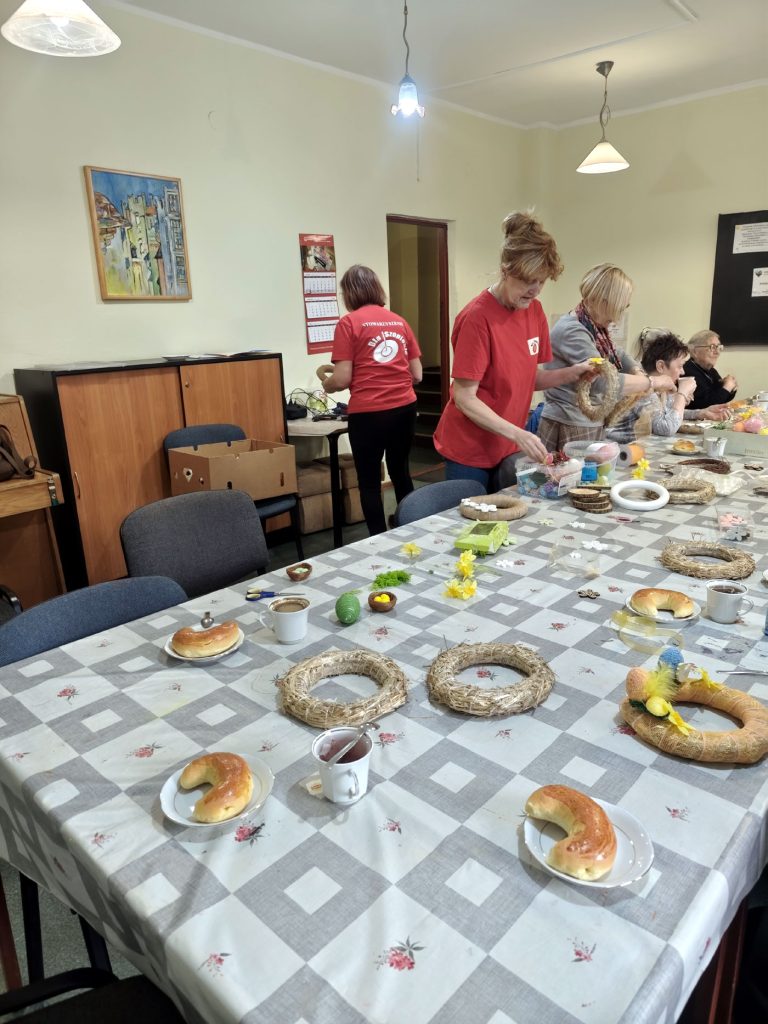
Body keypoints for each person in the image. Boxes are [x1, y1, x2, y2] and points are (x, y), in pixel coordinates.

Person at [432, 211, 593, 487]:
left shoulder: (534, 311)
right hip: (470, 449)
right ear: (506, 271)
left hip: (506, 445)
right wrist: (517, 433)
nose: (535, 290)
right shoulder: (477, 318)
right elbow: (464, 397)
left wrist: (573, 373)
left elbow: (530, 378)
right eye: (528, 281)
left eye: (542, 281)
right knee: (475, 513)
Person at [321, 265, 422, 535]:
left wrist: (327, 385)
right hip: (404, 409)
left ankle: (378, 539)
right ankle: (411, 531)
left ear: (349, 293)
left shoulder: (349, 323)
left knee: (368, 482)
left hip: (368, 413)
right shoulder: (399, 321)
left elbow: (341, 378)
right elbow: (417, 374)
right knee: (400, 472)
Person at [538, 264, 675, 451]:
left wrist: (636, 370)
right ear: (601, 301)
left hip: (587, 422)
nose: (617, 318)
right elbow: (603, 381)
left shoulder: (593, 328)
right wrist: (654, 382)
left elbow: (617, 353)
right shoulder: (572, 330)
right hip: (570, 423)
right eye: (617, 309)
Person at [640, 331, 730, 434]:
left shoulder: (661, 389)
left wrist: (701, 413)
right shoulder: (644, 391)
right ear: (661, 366)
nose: (683, 372)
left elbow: (669, 413)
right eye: (680, 366)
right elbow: (666, 428)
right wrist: (682, 395)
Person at [682, 330, 738, 408]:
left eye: (718, 347)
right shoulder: (687, 371)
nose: (717, 352)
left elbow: (722, 398)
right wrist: (727, 387)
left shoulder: (711, 370)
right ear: (695, 351)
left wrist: (731, 387)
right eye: (712, 347)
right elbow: (708, 404)